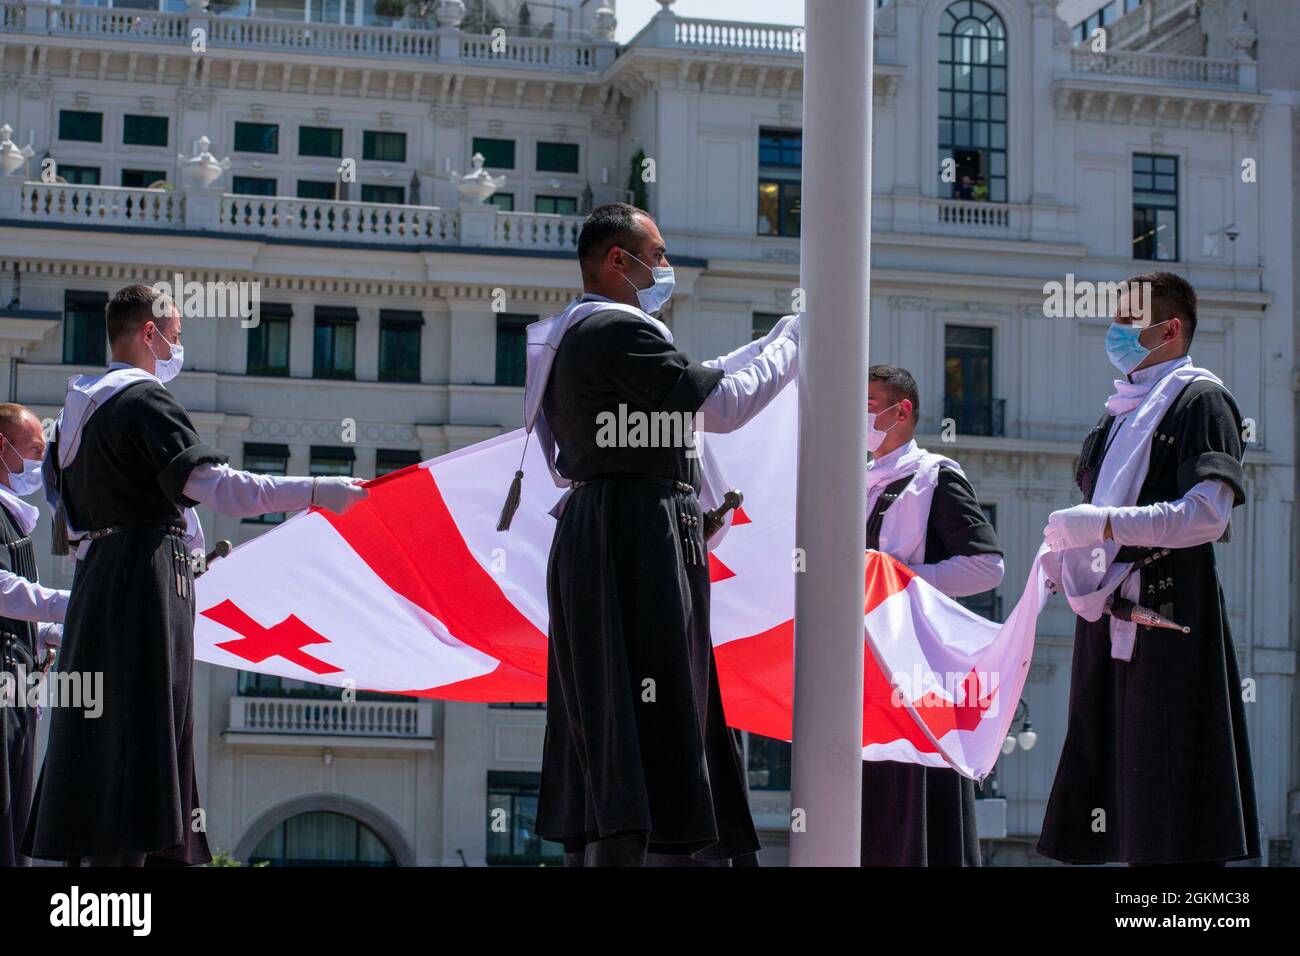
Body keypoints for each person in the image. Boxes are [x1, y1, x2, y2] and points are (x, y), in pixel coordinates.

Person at [23, 284, 369, 866]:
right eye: (176, 334)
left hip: (100, 587)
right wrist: (317, 491)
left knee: (105, 754)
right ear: (149, 333)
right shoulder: (142, 402)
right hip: (144, 589)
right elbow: (223, 489)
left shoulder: (68, 419)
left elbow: (73, 527)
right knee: (142, 753)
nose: (180, 346)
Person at [507, 202, 800, 866]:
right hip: (635, 536)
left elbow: (697, 385)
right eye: (658, 254)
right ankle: (657, 847)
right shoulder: (617, 331)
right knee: (655, 705)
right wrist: (793, 343)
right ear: (618, 260)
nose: (664, 267)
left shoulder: (582, 335)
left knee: (627, 709)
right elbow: (721, 405)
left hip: (614, 528)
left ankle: (645, 842)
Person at [1036, 272, 1260, 865]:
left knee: (1164, 777)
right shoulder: (1116, 417)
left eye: (1129, 322)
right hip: (1103, 612)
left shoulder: (1201, 400)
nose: (1116, 332)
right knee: (1111, 771)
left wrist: (1102, 524)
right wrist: (1065, 552)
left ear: (1170, 328)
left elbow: (1206, 516)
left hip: (1166, 604)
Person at [860, 366, 1003, 866]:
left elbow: (987, 567)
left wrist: (903, 580)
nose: (861, 413)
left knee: (916, 791)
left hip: (913, 664)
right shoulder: (853, 481)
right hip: (860, 667)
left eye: (871, 402)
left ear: (903, 412)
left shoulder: (934, 476)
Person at [0, 403, 70, 867]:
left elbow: (20, 612)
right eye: (33, 451)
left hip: (18, 684)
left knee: (15, 820)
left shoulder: (12, 519)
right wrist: (75, 602)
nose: (39, 466)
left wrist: (52, 631)